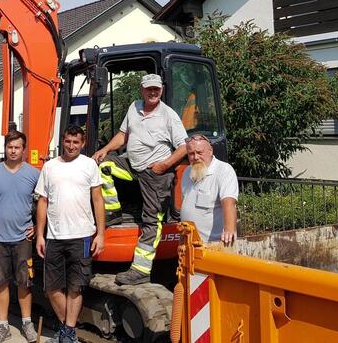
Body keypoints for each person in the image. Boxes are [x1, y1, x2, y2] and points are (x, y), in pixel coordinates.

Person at [92, 73, 188, 286]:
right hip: (133, 167)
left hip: (156, 174)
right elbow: (123, 135)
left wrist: (163, 165)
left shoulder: (168, 115)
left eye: (156, 89)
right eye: (149, 89)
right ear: (142, 90)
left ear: (161, 90)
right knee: (103, 166)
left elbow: (184, 146)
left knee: (151, 220)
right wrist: (105, 149)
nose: (153, 92)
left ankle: (141, 269)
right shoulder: (134, 108)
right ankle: (113, 212)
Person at [35, 125, 105, 343]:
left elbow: (98, 200)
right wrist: (40, 234)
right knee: (52, 288)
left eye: (76, 142)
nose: (71, 146)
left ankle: (67, 333)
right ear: (62, 141)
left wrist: (100, 234)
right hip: (54, 236)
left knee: (76, 287)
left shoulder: (89, 165)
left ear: (83, 143)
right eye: (68, 141)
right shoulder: (50, 167)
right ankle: (69, 331)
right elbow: (43, 201)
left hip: (82, 235)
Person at [0, 131, 40, 343]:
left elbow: (43, 203)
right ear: (5, 148)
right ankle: (2, 325)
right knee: (1, 283)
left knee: (24, 283)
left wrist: (39, 227)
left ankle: (26, 323)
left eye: (17, 147)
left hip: (23, 239)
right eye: (10, 147)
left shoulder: (33, 174)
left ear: (24, 149)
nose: (13, 151)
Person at [180, 133, 238, 245]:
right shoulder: (187, 172)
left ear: (210, 150)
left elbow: (229, 202)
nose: (195, 157)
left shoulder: (224, 170)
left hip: (212, 245)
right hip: (188, 244)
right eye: (191, 154)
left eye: (199, 152)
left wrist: (229, 231)